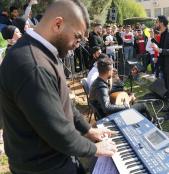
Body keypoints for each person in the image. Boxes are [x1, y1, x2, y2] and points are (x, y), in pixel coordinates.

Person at [0, 1, 117, 174]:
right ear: (58, 24)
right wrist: (96, 149)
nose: (78, 44)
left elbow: (63, 103)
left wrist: (88, 130)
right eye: (77, 37)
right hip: (45, 167)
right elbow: (58, 133)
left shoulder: (43, 52)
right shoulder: (33, 65)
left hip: (55, 160)